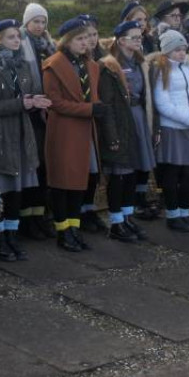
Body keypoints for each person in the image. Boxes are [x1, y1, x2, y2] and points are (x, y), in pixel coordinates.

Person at [0, 20, 44, 261]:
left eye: (17, 36)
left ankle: (12, 234)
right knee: (0, 190)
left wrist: (35, 101)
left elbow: (29, 92)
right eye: (10, 37)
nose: (16, 40)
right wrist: (20, 104)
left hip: (20, 132)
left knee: (17, 190)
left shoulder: (22, 65)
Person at [42, 18, 105, 252]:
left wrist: (95, 107)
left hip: (86, 130)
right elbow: (55, 102)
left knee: (81, 180)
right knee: (63, 182)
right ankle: (62, 231)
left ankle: (74, 228)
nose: (85, 43)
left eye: (86, 38)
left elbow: (92, 95)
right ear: (67, 41)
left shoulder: (90, 65)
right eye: (79, 39)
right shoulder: (54, 65)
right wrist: (89, 109)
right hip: (65, 130)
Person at [99, 21, 154, 240]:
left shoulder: (141, 62)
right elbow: (108, 104)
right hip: (122, 120)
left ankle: (128, 217)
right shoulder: (110, 66)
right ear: (121, 40)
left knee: (133, 172)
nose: (139, 41)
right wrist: (111, 134)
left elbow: (148, 96)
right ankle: (116, 222)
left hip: (139, 118)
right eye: (134, 37)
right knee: (119, 174)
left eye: (140, 37)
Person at [150, 30, 189, 232]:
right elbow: (163, 104)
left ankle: (185, 212)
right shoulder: (161, 70)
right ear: (167, 51)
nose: (181, 53)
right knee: (172, 173)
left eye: (183, 49)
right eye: (177, 50)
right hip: (173, 128)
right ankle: (173, 214)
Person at [17, 3, 56, 239]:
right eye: (36, 22)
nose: (40, 26)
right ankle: (26, 219)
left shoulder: (48, 46)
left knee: (44, 166)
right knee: (31, 165)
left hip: (46, 111)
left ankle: (40, 215)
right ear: (27, 22)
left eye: (43, 22)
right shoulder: (20, 44)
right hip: (29, 111)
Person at [77, 14, 107, 231]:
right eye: (86, 36)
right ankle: (81, 212)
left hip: (100, 117)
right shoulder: (78, 61)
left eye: (95, 34)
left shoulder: (103, 58)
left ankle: (90, 208)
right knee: (85, 168)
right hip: (85, 117)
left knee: (96, 171)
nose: (91, 39)